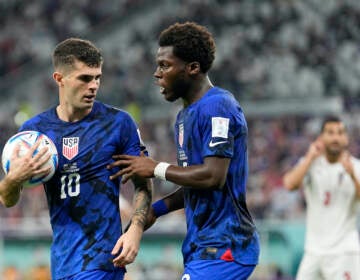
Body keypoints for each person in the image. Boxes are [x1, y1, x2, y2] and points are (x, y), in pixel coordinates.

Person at [107, 22, 260, 280]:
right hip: (203, 246)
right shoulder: (184, 116)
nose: (157, 74)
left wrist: (155, 168)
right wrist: (157, 209)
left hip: (226, 246)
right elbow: (197, 182)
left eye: (165, 65)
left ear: (192, 68)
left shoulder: (218, 106)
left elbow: (213, 176)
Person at [0, 38, 152, 280]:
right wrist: (13, 179)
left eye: (97, 78)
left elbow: (144, 184)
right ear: (59, 79)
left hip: (102, 260)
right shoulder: (34, 133)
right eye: (85, 78)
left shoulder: (118, 123)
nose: (93, 86)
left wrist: (135, 229)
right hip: (62, 262)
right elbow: (7, 199)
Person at [283, 115, 360, 280]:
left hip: (344, 252)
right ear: (321, 137)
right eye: (330, 132)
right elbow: (289, 184)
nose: (335, 138)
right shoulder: (311, 164)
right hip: (314, 252)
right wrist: (310, 157)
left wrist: (353, 176)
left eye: (340, 133)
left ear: (346, 138)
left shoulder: (355, 166)